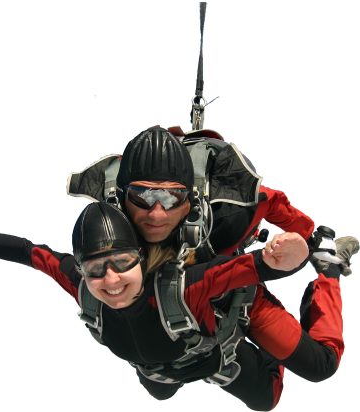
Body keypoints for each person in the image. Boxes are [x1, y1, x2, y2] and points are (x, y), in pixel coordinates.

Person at [0, 204, 352, 411]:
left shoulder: (187, 286)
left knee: (296, 382)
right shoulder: (81, 284)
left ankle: (329, 273)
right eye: (95, 269)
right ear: (80, 270)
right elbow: (28, 252)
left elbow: (250, 268)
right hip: (158, 366)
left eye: (122, 263)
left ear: (140, 258)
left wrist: (285, 255)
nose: (110, 281)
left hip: (222, 339)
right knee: (159, 389)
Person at [67, 125, 354, 401]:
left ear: (190, 197)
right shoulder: (107, 223)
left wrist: (310, 237)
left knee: (320, 365)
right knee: (160, 391)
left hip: (233, 294)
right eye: (141, 196)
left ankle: (329, 272)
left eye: (172, 196)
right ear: (120, 195)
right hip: (166, 317)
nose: (156, 213)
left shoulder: (227, 217)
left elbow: (269, 200)